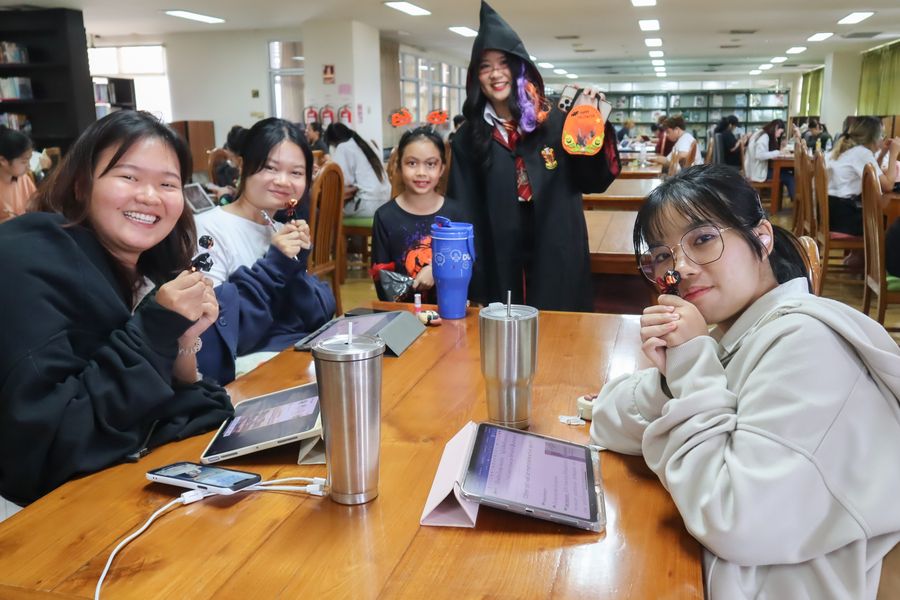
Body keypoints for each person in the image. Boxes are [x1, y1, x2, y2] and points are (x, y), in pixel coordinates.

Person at [590, 164, 900, 599]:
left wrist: (692, 366)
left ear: (762, 237)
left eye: (702, 239)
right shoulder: (732, 336)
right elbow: (606, 420)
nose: (680, 269)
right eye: (661, 256)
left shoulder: (808, 345)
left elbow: (733, 521)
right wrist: (673, 374)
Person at [0, 111, 233, 512]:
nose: (149, 196)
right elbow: (48, 445)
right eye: (128, 177)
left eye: (168, 184)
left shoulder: (146, 272)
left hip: (110, 491)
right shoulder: (28, 259)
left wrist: (182, 340)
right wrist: (156, 327)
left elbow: (195, 402)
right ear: (81, 184)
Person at [448, 1, 620, 311]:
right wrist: (471, 279)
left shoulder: (555, 120)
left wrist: (592, 127)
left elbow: (593, 180)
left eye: (504, 63)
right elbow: (464, 210)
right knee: (506, 326)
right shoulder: (468, 138)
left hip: (557, 244)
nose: (495, 74)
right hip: (499, 253)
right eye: (485, 66)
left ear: (519, 67)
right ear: (476, 76)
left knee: (562, 326)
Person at [195, 118, 336, 384]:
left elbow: (317, 316)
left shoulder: (280, 229)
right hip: (246, 377)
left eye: (296, 173)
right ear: (243, 165)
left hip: (295, 359)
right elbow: (217, 337)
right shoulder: (208, 231)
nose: (283, 181)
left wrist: (296, 267)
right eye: (270, 168)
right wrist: (277, 264)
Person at [370, 126, 465, 302]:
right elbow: (381, 280)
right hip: (402, 313)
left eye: (431, 164)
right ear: (399, 166)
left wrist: (437, 269)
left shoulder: (456, 213)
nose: (421, 172)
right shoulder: (385, 217)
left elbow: (468, 263)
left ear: (442, 168)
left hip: (450, 310)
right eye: (412, 163)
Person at [826, 116, 900, 237]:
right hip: (843, 218)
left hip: (831, 212)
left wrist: (882, 154)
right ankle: (878, 250)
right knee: (888, 225)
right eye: (882, 135)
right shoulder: (862, 153)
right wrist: (893, 154)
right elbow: (887, 186)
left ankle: (864, 252)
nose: (883, 139)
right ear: (873, 137)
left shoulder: (847, 149)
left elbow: (872, 175)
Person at [324, 122, 391, 218]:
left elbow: (341, 181)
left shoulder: (343, 147)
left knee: (329, 213)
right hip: (385, 202)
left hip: (368, 206)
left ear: (334, 141)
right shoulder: (366, 142)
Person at [745, 118, 797, 201]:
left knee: (786, 173)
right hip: (758, 172)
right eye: (780, 132)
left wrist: (777, 152)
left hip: (755, 169)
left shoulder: (761, 133)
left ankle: (794, 200)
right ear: (776, 128)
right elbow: (759, 155)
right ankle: (796, 202)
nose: (779, 135)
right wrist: (778, 152)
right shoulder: (764, 136)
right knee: (789, 177)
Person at [0, 126, 36, 222]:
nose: (29, 166)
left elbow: (36, 205)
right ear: (3, 160)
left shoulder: (24, 179)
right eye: (24, 162)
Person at [206, 125, 246, 204]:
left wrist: (223, 196)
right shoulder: (252, 173)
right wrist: (236, 192)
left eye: (231, 158)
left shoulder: (249, 177)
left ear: (239, 159)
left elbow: (226, 205)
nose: (229, 160)